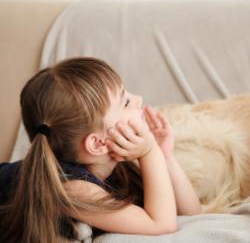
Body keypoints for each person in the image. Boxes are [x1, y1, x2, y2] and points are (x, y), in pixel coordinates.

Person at [0, 57, 202, 242]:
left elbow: (192, 214)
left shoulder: (115, 166)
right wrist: (150, 153)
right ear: (97, 144)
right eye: (126, 102)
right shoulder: (72, 189)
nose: (139, 98)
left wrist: (166, 157)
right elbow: (162, 225)